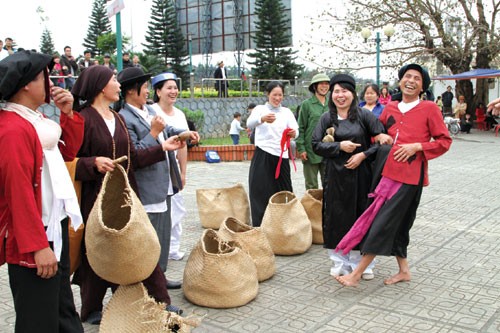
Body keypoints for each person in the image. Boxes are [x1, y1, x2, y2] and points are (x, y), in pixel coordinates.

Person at [71, 65, 185, 324]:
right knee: (97, 251)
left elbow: (132, 157)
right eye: (113, 79)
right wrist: (92, 164)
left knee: (138, 244)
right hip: (95, 197)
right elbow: (70, 161)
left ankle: (159, 300)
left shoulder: (117, 118)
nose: (118, 84)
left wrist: (162, 147)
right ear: (101, 86)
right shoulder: (84, 119)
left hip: (125, 193)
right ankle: (90, 309)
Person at [335, 64, 452, 287]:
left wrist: (417, 147)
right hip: (385, 173)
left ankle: (356, 274)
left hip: (410, 177)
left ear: (422, 86)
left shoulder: (429, 108)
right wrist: (375, 140)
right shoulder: (391, 108)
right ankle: (404, 271)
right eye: (407, 76)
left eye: (417, 78)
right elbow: (375, 134)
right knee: (400, 223)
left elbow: (444, 141)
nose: (411, 80)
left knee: (382, 221)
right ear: (400, 82)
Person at [0, 50, 84, 332]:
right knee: (38, 319)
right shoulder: (12, 128)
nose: (50, 82)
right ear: (26, 84)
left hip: (52, 226)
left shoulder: (33, 119)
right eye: (43, 76)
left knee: (62, 309)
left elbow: (66, 154)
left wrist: (68, 114)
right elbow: (18, 192)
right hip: (35, 236)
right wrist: (36, 247)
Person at [311, 74, 385, 279]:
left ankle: (362, 263)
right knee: (336, 217)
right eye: (336, 91)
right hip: (335, 177)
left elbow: (383, 141)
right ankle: (339, 261)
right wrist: (339, 146)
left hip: (362, 177)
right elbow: (316, 144)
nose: (340, 95)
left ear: (352, 93)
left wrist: (363, 155)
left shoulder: (364, 116)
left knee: (360, 216)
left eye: (345, 91)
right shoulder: (327, 118)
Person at [151, 72, 198, 264]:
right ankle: (158, 249)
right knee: (160, 210)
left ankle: (173, 247)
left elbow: (183, 144)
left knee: (178, 208)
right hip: (157, 169)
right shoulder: (151, 111)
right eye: (169, 88)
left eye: (175, 88)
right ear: (158, 91)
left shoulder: (179, 114)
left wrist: (183, 172)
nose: (173, 91)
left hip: (174, 169)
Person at [246, 81, 299, 226]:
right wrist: (261, 119)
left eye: (280, 95)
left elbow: (296, 131)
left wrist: (294, 133)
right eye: (274, 94)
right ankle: (261, 225)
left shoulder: (287, 112)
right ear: (268, 94)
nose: (277, 98)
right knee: (260, 189)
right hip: (263, 154)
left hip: (282, 156)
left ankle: (285, 224)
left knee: (284, 189)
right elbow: (249, 124)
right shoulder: (260, 109)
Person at [296, 73, 330, 190]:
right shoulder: (307, 105)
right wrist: (301, 148)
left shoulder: (332, 104)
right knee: (312, 186)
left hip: (328, 150)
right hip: (310, 151)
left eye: (326, 84)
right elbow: (300, 127)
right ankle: (312, 208)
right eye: (321, 84)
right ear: (315, 86)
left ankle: (327, 208)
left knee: (329, 184)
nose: (324, 86)